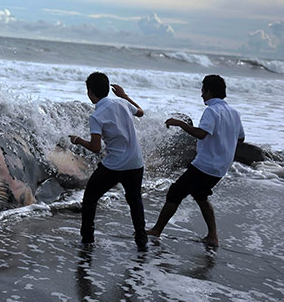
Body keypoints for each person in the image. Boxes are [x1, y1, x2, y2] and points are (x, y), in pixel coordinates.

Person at [147, 75, 244, 247]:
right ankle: (212, 237)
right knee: (200, 195)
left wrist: (180, 123)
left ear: (209, 91)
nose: (201, 95)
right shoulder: (234, 113)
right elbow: (241, 139)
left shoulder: (212, 111)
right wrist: (223, 143)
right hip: (221, 167)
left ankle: (156, 230)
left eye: (202, 91)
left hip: (205, 165)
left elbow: (201, 133)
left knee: (175, 193)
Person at [69, 72, 148, 251]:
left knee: (90, 197)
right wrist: (124, 96)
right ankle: (142, 242)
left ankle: (87, 240)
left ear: (90, 92)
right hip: (136, 162)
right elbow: (141, 113)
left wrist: (78, 140)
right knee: (135, 201)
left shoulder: (96, 117)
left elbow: (95, 148)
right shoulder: (122, 103)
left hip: (115, 165)